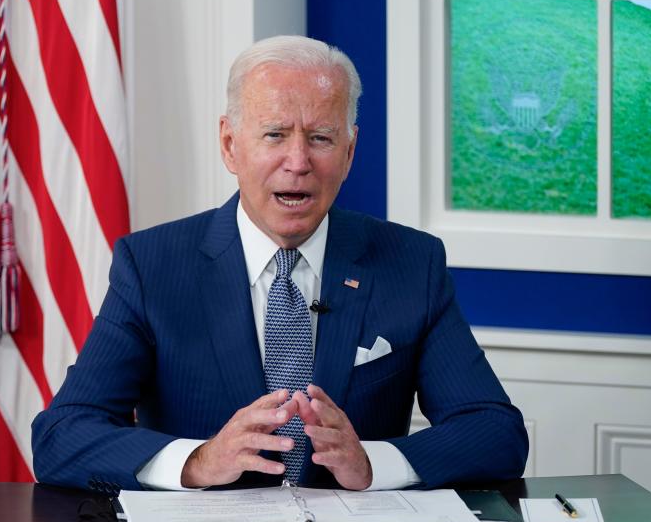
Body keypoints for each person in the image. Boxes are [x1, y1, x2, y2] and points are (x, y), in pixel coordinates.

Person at [31, 35, 527, 493]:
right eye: (274, 135)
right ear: (230, 145)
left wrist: (375, 465)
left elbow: (495, 432)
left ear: (350, 151)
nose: (297, 161)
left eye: (321, 138)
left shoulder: (410, 263)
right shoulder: (153, 266)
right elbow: (61, 436)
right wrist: (197, 461)